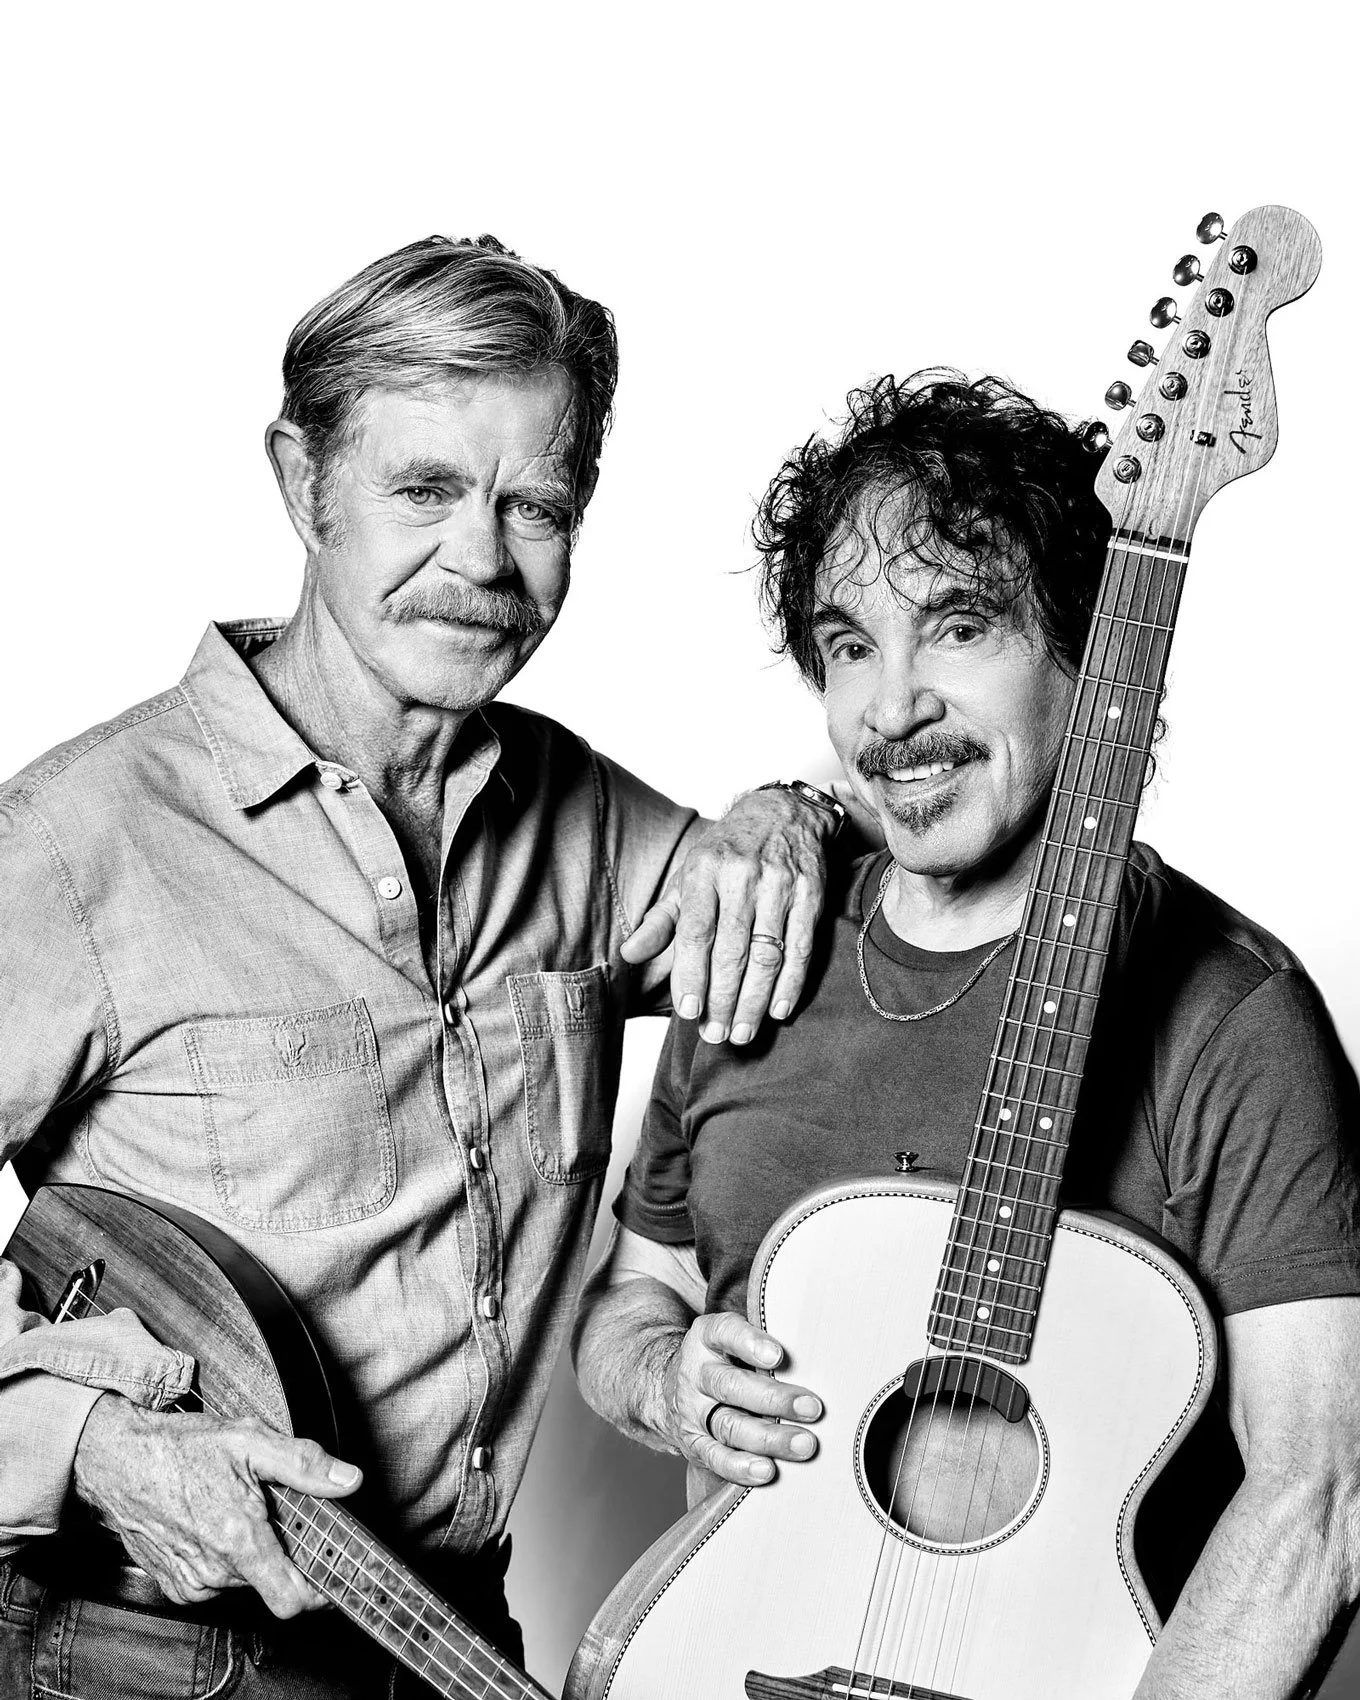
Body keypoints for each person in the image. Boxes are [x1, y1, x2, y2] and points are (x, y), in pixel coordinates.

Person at [0, 235, 849, 1699]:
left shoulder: (584, 820)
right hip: (136, 1650)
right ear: (299, 479)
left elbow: (858, 916)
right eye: (426, 490)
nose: (482, 559)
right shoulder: (79, 845)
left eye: (538, 506)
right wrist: (84, 1442)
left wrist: (794, 813)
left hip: (456, 1644)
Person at [573, 372, 1360, 1699]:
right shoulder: (757, 948)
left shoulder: (1233, 1015)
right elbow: (632, 1301)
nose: (891, 709)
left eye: (958, 627)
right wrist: (663, 1379)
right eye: (849, 645)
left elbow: (1320, 1503)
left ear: (1087, 653)